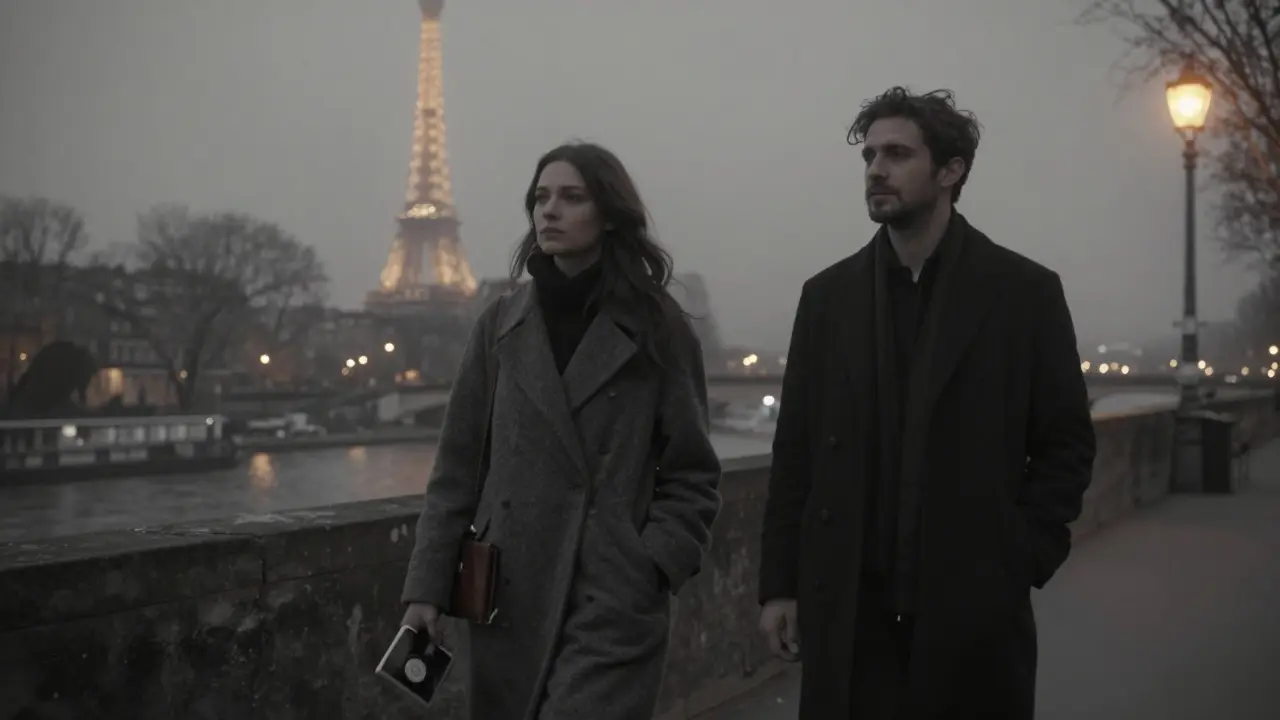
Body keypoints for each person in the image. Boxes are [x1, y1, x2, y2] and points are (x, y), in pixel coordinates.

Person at [757, 87, 1096, 719]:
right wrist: (779, 586)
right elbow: (796, 452)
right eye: (869, 157)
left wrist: (1019, 557)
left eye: (898, 154)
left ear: (950, 171)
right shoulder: (827, 298)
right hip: (851, 619)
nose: (877, 170)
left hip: (970, 613)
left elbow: (1065, 444)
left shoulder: (1023, 293)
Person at [400, 142, 722, 720]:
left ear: (609, 213)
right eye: (541, 197)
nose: (549, 210)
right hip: (506, 595)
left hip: (611, 600)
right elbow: (455, 471)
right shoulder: (499, 325)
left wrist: (650, 566)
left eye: (571, 197)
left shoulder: (660, 330)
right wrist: (425, 588)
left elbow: (692, 472)